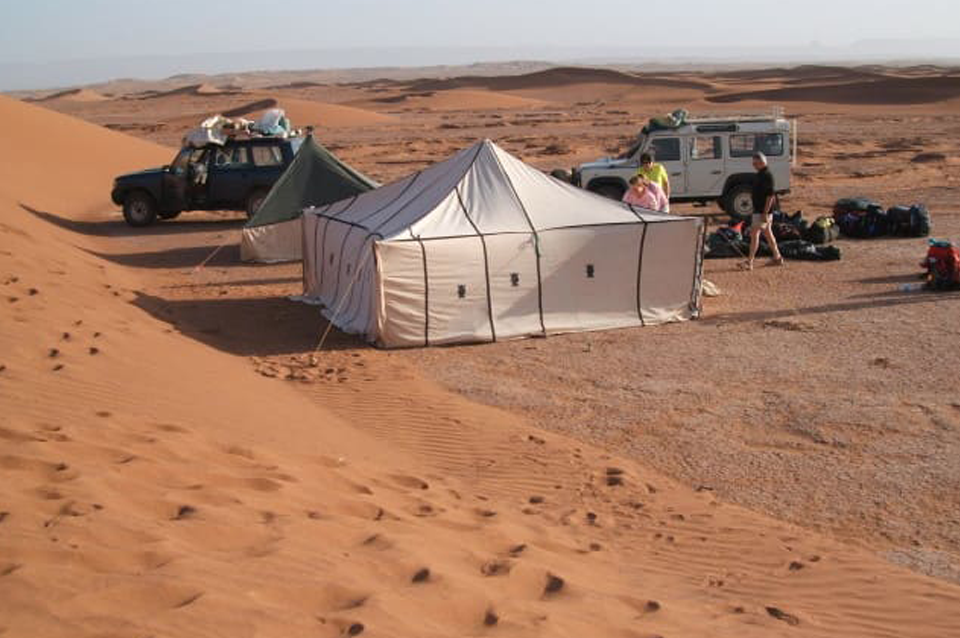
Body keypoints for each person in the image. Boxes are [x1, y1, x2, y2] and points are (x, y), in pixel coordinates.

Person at [741, 152, 784, 270]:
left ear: (761, 162)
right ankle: (777, 257)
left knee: (754, 235)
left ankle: (749, 262)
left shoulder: (767, 175)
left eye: (755, 163)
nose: (753, 165)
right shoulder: (761, 174)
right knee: (768, 235)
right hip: (760, 211)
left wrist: (765, 213)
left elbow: (770, 196)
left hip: (762, 212)